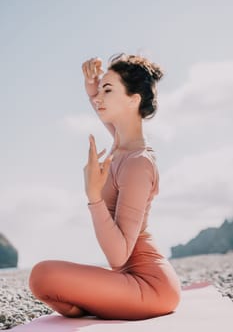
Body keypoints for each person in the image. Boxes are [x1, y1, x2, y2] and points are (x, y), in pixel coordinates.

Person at [29, 53, 181, 320]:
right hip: (128, 281)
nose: (99, 98)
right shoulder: (121, 144)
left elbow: (119, 256)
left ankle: (94, 305)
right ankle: (97, 305)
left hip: (151, 288)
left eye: (108, 91)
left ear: (134, 100)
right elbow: (102, 109)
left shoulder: (137, 163)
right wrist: (93, 86)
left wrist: (93, 197)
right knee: (43, 277)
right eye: (100, 91)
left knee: (43, 275)